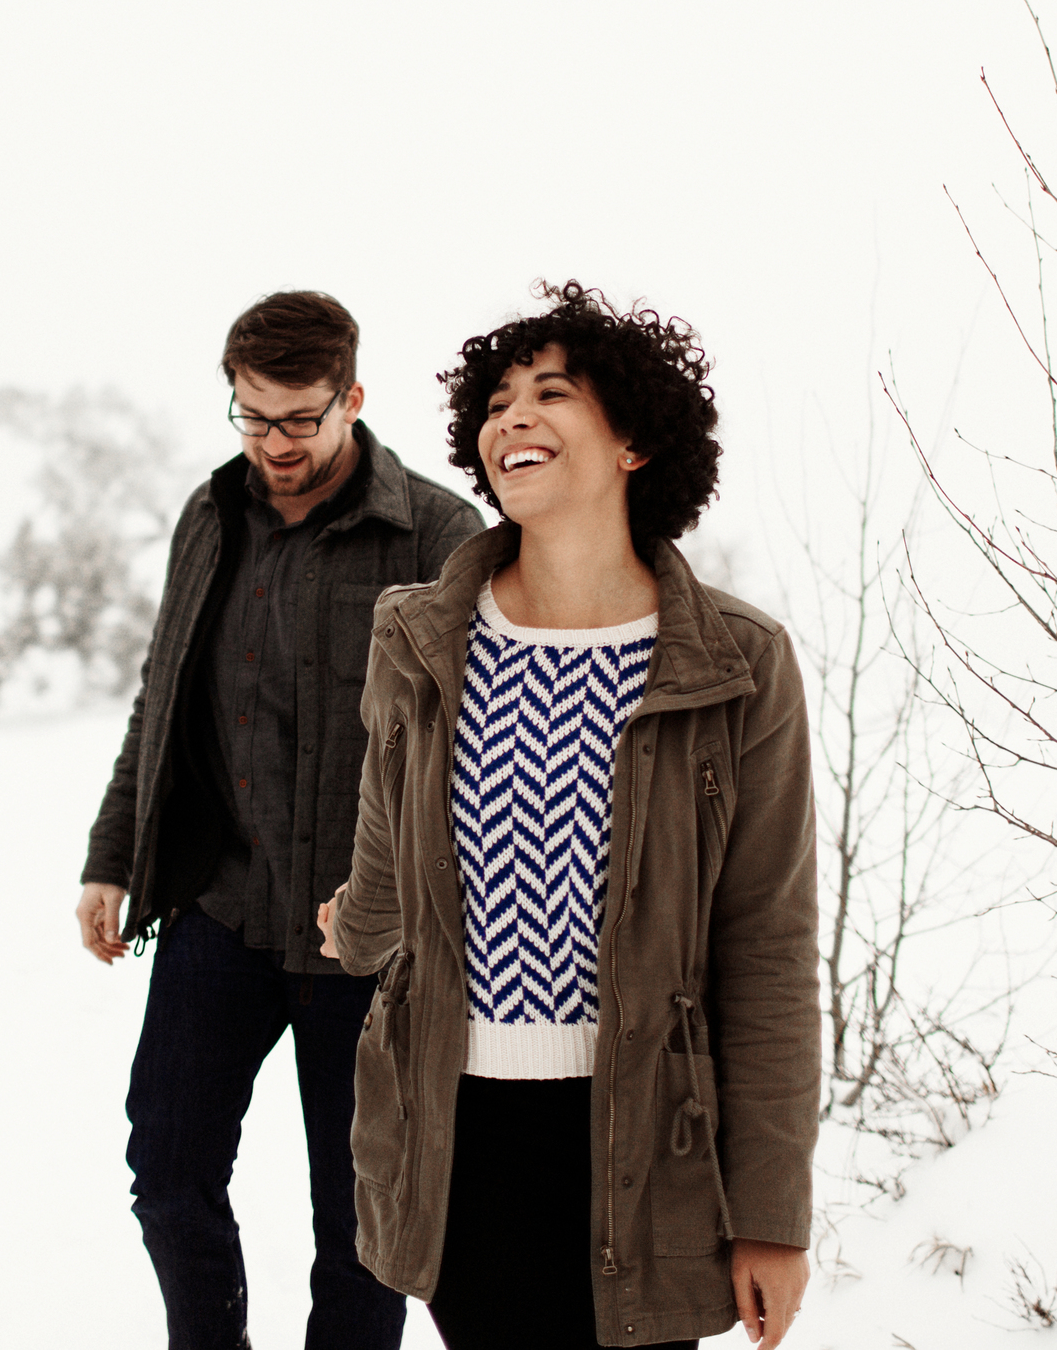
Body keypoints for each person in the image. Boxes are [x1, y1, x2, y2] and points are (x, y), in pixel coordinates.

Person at [320, 282, 819, 1350]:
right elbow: (384, 859)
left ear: (633, 439)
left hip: (647, 1137)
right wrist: (352, 924)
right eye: (496, 403)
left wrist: (770, 1213)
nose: (513, 418)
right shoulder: (417, 638)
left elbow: (766, 946)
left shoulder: (738, 663)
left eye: (551, 392)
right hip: (452, 1129)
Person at [77, 290, 485, 1350]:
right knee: (165, 1167)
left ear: (352, 396)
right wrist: (111, 856)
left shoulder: (441, 534)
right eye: (252, 416)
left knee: (358, 1224)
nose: (274, 443)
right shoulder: (209, 515)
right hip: (219, 908)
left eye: (299, 418)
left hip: (364, 944)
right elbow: (161, 694)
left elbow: (475, 751)